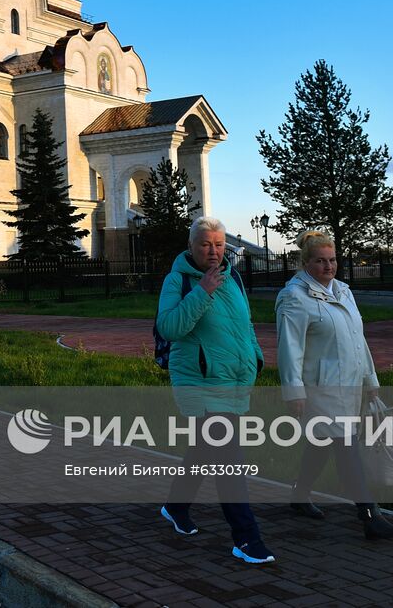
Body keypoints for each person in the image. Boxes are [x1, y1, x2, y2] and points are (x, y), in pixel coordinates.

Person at [155, 217, 275, 565]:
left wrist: (255, 356)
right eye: (206, 244)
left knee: (204, 451)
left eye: (219, 244)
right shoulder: (178, 280)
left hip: (234, 379)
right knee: (229, 459)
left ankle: (175, 507)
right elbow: (170, 327)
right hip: (199, 381)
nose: (213, 250)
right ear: (191, 246)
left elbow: (245, 323)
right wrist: (201, 292)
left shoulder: (233, 276)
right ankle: (247, 539)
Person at [276, 229, 393, 540]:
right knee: (346, 445)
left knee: (322, 442)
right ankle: (369, 515)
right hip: (320, 388)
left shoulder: (343, 291)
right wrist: (294, 392)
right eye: (320, 261)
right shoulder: (294, 298)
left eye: (332, 260)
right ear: (305, 263)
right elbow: (289, 349)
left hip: (351, 384)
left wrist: (370, 379)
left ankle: (299, 495)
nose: (328, 267)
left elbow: (358, 338)